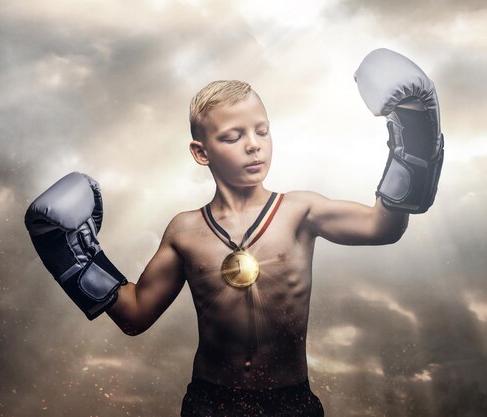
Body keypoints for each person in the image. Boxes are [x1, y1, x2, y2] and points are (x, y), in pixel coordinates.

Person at [24, 48, 444, 416]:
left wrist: (415, 133)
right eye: (233, 136)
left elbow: (383, 226)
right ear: (201, 152)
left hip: (290, 402)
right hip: (211, 403)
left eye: (262, 130)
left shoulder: (300, 210)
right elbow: (134, 315)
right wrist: (70, 252)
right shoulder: (185, 230)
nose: (254, 144)